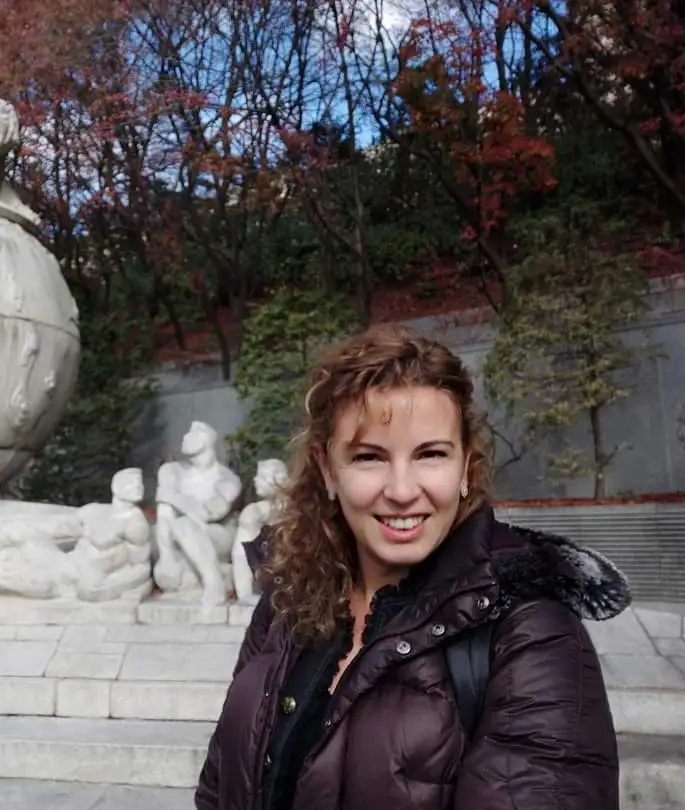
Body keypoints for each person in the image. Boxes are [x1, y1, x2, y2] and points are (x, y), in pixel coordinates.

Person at [195, 324, 630, 810]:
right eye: (369, 457)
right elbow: (221, 783)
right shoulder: (289, 596)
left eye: (430, 454)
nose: (402, 491)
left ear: (464, 465)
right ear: (327, 469)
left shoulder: (531, 632)